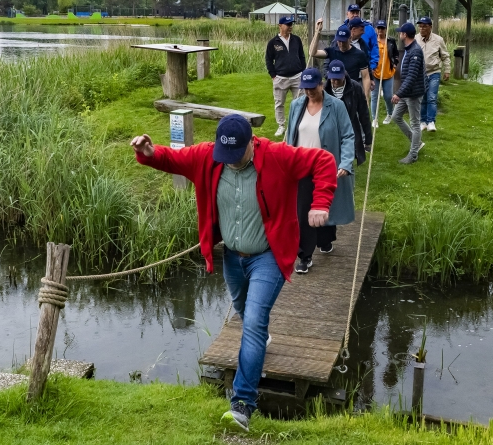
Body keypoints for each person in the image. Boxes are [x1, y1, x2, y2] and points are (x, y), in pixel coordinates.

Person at [130, 114, 337, 432]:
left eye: (235, 156)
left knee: (252, 321)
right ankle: (260, 340)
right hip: (232, 256)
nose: (229, 162)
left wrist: (320, 203)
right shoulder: (209, 156)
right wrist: (149, 153)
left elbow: (323, 160)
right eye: (223, 156)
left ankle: (242, 404)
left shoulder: (277, 156)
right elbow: (173, 159)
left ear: (250, 144)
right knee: (243, 311)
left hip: (268, 256)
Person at [286, 67, 355, 274]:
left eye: (312, 88)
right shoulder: (296, 105)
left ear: (321, 84)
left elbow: (348, 136)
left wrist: (345, 162)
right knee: (303, 211)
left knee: (326, 207)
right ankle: (305, 256)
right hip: (302, 168)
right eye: (305, 88)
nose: (308, 92)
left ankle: (325, 239)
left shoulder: (336, 106)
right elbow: (290, 136)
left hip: (325, 167)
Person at [324, 60, 373, 166]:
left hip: (349, 127)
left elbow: (363, 113)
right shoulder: (324, 89)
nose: (336, 82)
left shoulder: (355, 88)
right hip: (330, 128)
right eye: (333, 78)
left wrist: (368, 138)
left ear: (344, 75)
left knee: (346, 159)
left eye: (338, 78)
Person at [265, 15, 306, 137]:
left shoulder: (296, 39)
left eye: (291, 24)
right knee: (279, 103)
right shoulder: (273, 43)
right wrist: (273, 75)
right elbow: (268, 60)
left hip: (297, 77)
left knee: (300, 102)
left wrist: (303, 71)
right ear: (280, 26)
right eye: (288, 24)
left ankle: (298, 124)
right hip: (280, 78)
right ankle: (281, 125)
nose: (290, 27)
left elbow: (302, 56)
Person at [390, 22, 425, 164]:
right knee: (396, 116)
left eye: (400, 32)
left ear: (405, 34)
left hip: (413, 93)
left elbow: (411, 76)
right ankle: (416, 143)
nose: (399, 34)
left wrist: (398, 93)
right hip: (406, 92)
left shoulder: (415, 51)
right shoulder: (409, 49)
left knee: (415, 123)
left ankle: (413, 154)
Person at [309, 19, 370, 99]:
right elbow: (312, 53)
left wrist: (366, 98)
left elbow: (365, 77)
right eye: (339, 41)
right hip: (333, 94)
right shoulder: (332, 51)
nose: (341, 44)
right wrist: (317, 32)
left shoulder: (359, 54)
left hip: (351, 93)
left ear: (350, 38)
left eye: (344, 41)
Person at [417, 17, 450, 132]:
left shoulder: (438, 40)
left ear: (430, 27)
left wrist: (447, 70)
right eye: (420, 26)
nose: (422, 28)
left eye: (424, 26)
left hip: (434, 72)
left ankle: (431, 121)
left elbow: (445, 56)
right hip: (420, 73)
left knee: (431, 97)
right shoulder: (416, 39)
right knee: (422, 98)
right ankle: (423, 122)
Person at [333, 4, 379, 73]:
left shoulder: (369, 28)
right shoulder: (341, 29)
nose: (355, 15)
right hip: (345, 70)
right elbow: (333, 49)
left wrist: (372, 66)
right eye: (352, 12)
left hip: (364, 69)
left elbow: (374, 48)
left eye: (357, 12)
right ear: (347, 14)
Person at [370, 20, 399, 126]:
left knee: (388, 96)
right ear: (376, 29)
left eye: (382, 28)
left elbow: (396, 55)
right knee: (374, 96)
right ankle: (374, 119)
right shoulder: (373, 41)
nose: (380, 30)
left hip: (388, 73)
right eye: (379, 28)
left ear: (386, 29)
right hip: (375, 73)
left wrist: (395, 64)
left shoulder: (391, 41)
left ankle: (390, 114)